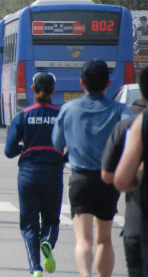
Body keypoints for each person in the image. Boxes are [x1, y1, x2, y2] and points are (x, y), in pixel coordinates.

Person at [52, 59, 133, 277]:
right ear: (108, 83)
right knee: (104, 239)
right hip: (108, 180)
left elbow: (57, 144)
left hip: (79, 179)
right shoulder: (119, 110)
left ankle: (85, 275)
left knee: (83, 240)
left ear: (81, 83)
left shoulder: (68, 109)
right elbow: (132, 136)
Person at [5, 73, 63, 277]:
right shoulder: (60, 114)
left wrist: (23, 147)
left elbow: (9, 151)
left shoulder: (23, 115)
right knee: (51, 220)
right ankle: (47, 240)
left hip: (28, 176)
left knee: (29, 225)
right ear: (53, 89)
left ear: (32, 89)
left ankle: (35, 268)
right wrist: (61, 158)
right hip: (53, 176)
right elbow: (72, 145)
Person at [102, 67, 148, 277]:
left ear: (142, 93)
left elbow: (118, 179)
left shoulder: (136, 125)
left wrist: (138, 175)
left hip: (139, 226)